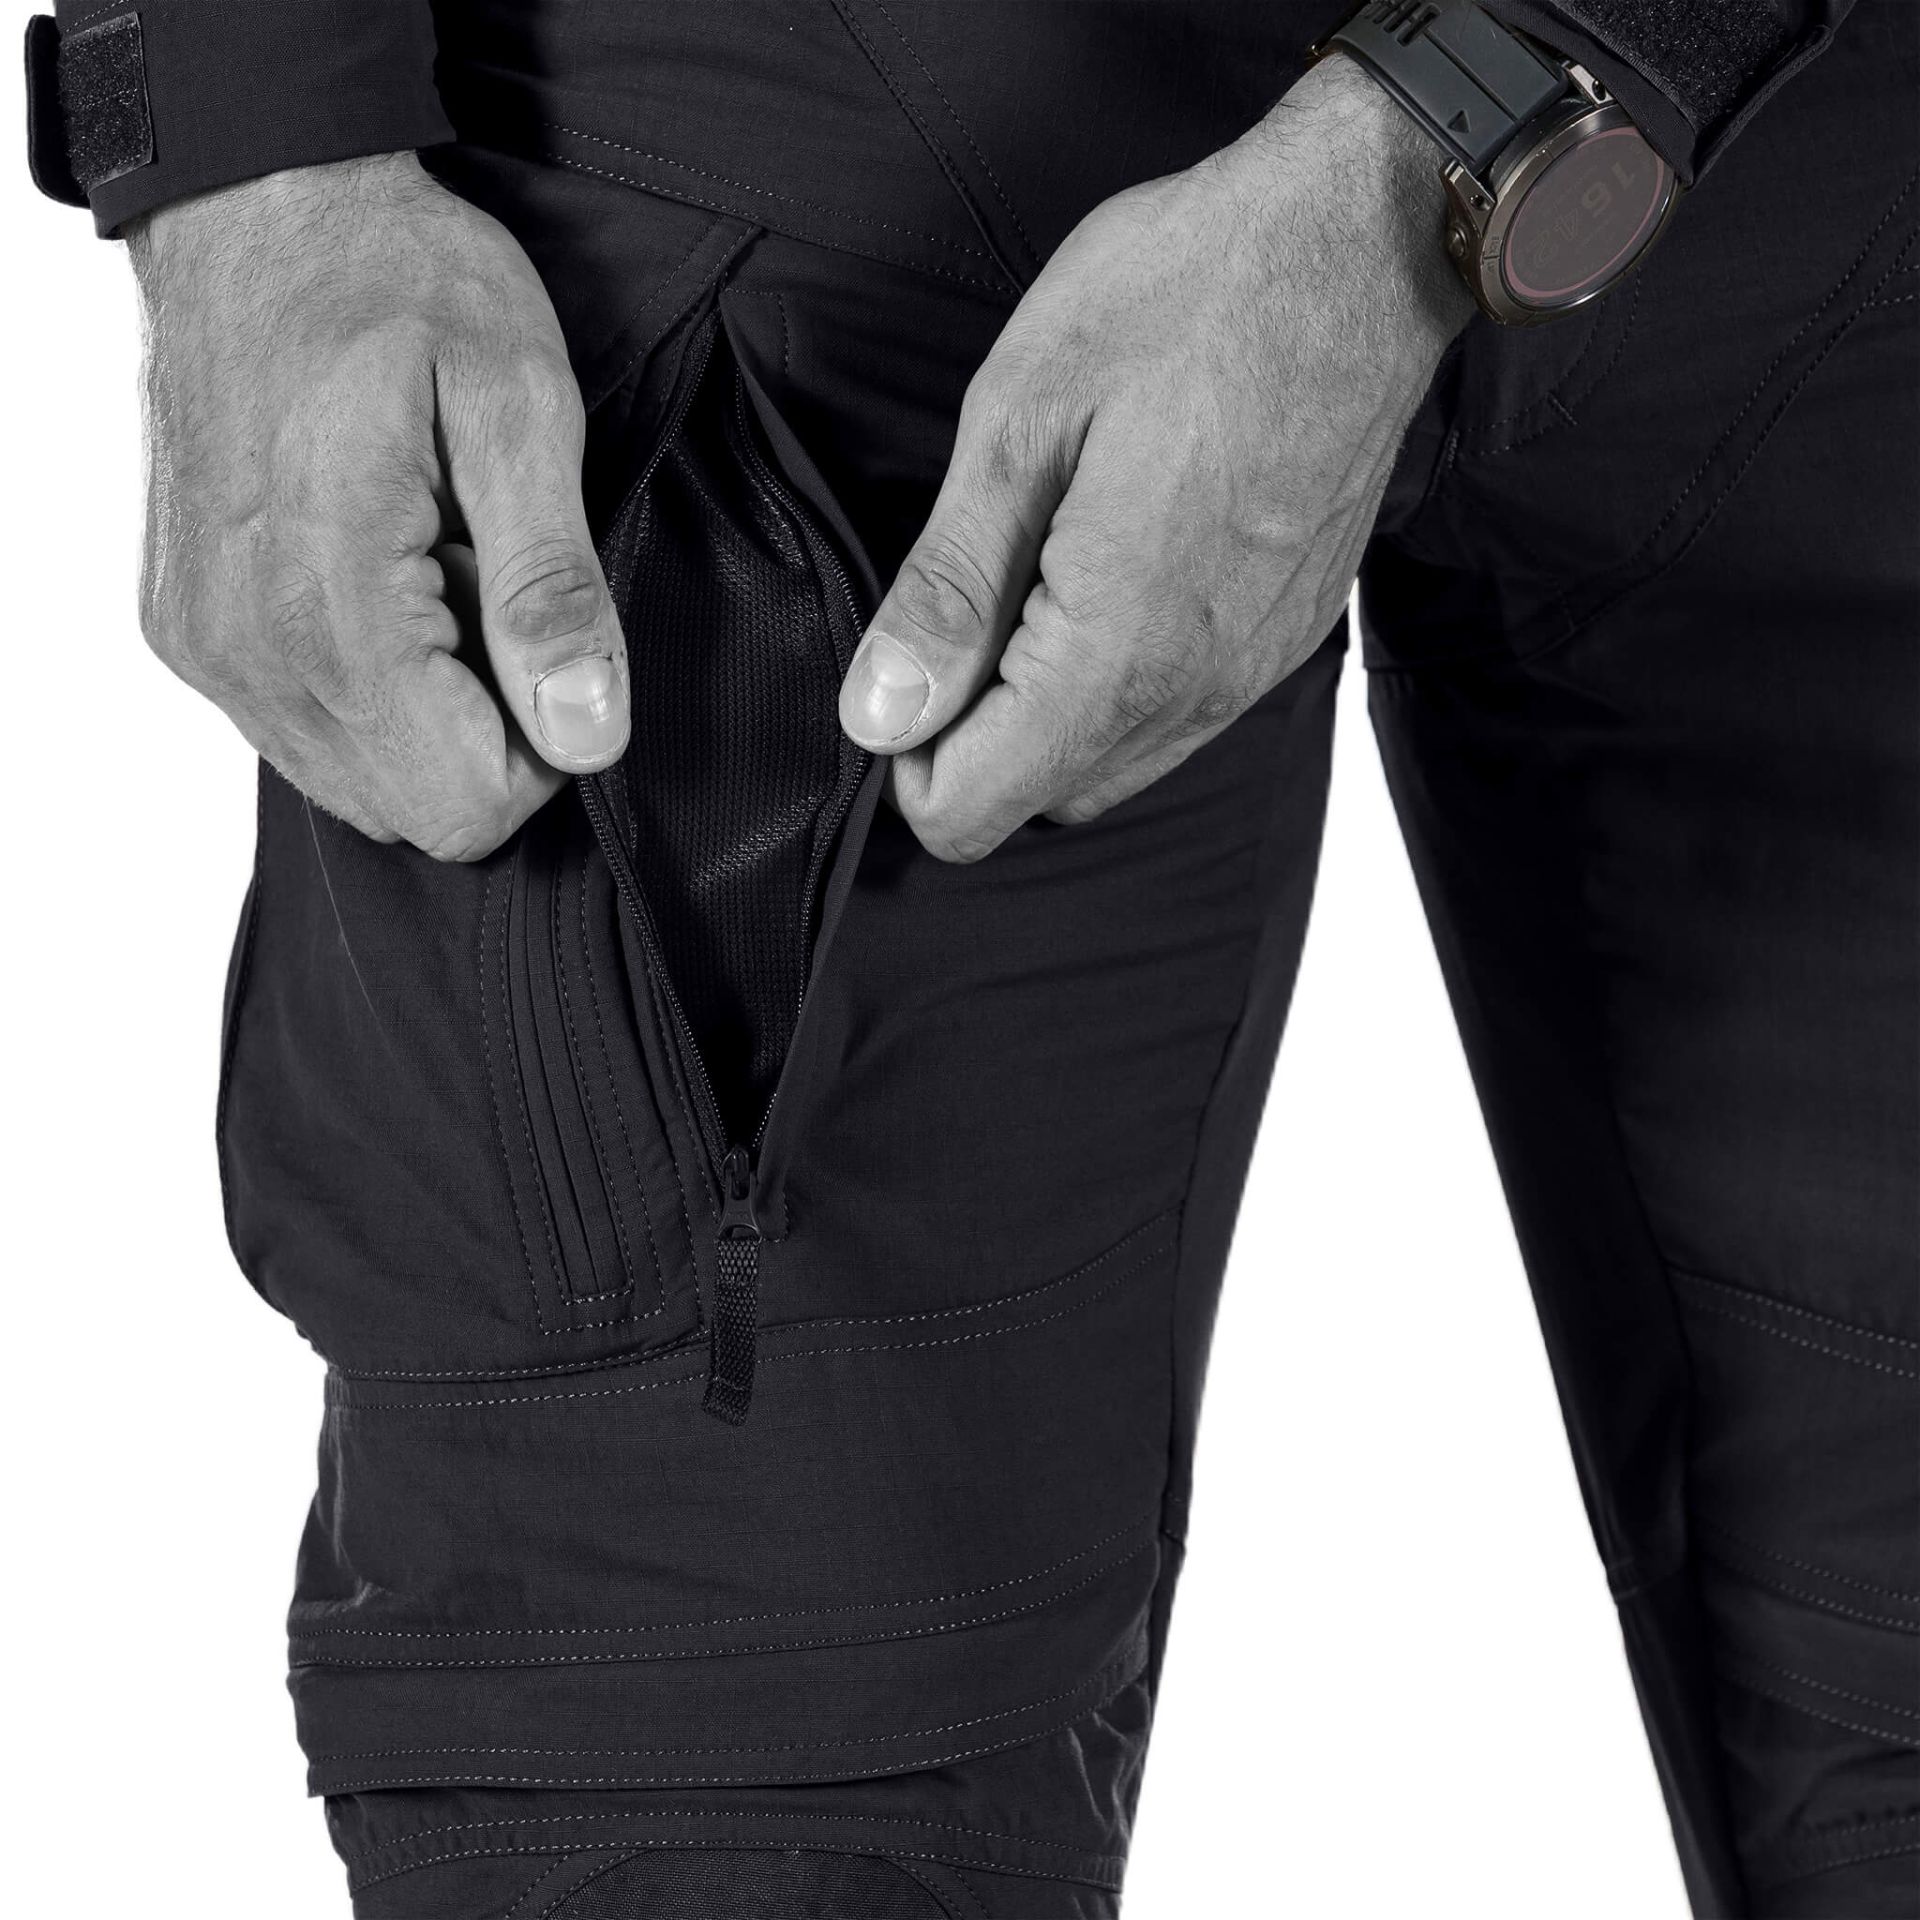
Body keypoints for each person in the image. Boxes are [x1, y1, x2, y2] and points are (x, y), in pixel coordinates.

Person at [25, 1, 1917, 1914]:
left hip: (1820, 182)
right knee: (711, 1801)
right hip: (774, 203)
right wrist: (249, 142)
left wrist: (1446, 132)